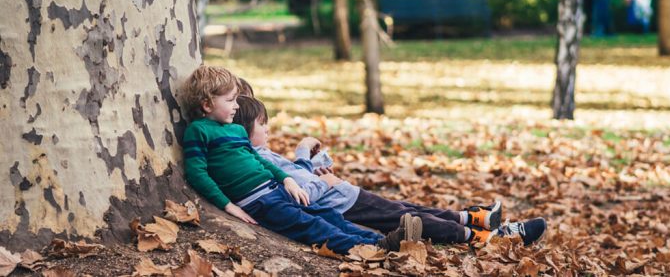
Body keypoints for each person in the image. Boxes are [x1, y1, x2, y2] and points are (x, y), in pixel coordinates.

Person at [233, 94, 548, 247]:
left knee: (408, 208)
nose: (268, 129)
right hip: (340, 202)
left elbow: (299, 179)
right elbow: (301, 189)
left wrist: (316, 168)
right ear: (245, 130)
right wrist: (310, 161)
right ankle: (489, 237)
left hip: (343, 194)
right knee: (409, 219)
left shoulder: (256, 153)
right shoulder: (255, 157)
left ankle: (474, 217)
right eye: (263, 125)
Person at [180, 65, 423, 254]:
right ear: (207, 103)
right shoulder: (199, 131)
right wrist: (227, 205)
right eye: (230, 100)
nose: (236, 106)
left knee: (328, 216)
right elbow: (197, 173)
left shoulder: (236, 130)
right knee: (312, 226)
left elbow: (261, 161)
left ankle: (383, 241)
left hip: (277, 190)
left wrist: (287, 180)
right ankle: (371, 249)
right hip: (259, 202)